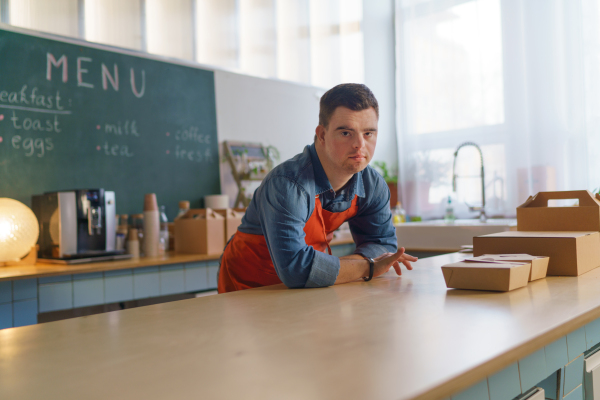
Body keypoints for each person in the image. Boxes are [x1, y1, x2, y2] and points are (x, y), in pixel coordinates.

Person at [218, 83, 417, 293]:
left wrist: (341, 268)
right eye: (346, 133)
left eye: (368, 133)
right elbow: (296, 269)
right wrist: (368, 266)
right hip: (249, 288)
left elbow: (383, 244)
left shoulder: (372, 184)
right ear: (321, 135)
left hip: (312, 288)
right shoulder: (287, 184)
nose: (360, 145)